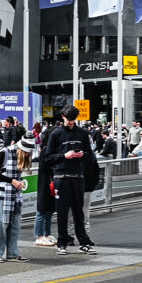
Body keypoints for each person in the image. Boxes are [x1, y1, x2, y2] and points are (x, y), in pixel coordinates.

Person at [44, 105, 96, 255]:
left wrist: (83, 155)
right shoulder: (56, 134)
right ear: (63, 117)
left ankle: (84, 242)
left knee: (78, 212)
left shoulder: (83, 133)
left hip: (78, 177)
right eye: (69, 120)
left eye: (73, 120)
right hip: (61, 177)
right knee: (62, 212)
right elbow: (48, 157)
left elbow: (90, 155)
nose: (71, 123)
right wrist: (64, 156)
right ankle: (62, 242)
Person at [0, 133, 35, 262]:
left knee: (15, 224)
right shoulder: (5, 152)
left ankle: (13, 253)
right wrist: (12, 181)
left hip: (15, 194)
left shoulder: (22, 155)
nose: (27, 155)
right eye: (26, 152)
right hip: (3, 194)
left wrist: (17, 183)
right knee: (1, 224)